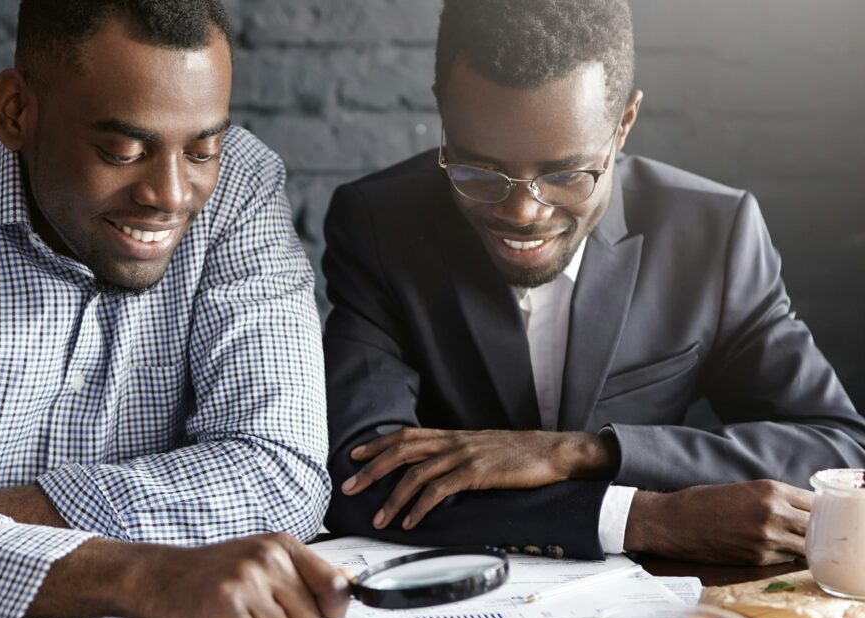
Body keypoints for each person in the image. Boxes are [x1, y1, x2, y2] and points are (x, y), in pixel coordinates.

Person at [0, 0, 346, 618]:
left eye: (202, 149)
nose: (169, 193)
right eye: (123, 149)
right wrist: (139, 575)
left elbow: (283, 474)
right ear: (16, 112)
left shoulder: (241, 190)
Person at [323, 0, 865, 566]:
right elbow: (362, 484)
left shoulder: (713, 236)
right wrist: (643, 519)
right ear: (445, 113)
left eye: (564, 174)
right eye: (477, 170)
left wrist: (585, 452)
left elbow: (839, 454)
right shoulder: (379, 226)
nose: (523, 212)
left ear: (623, 124)